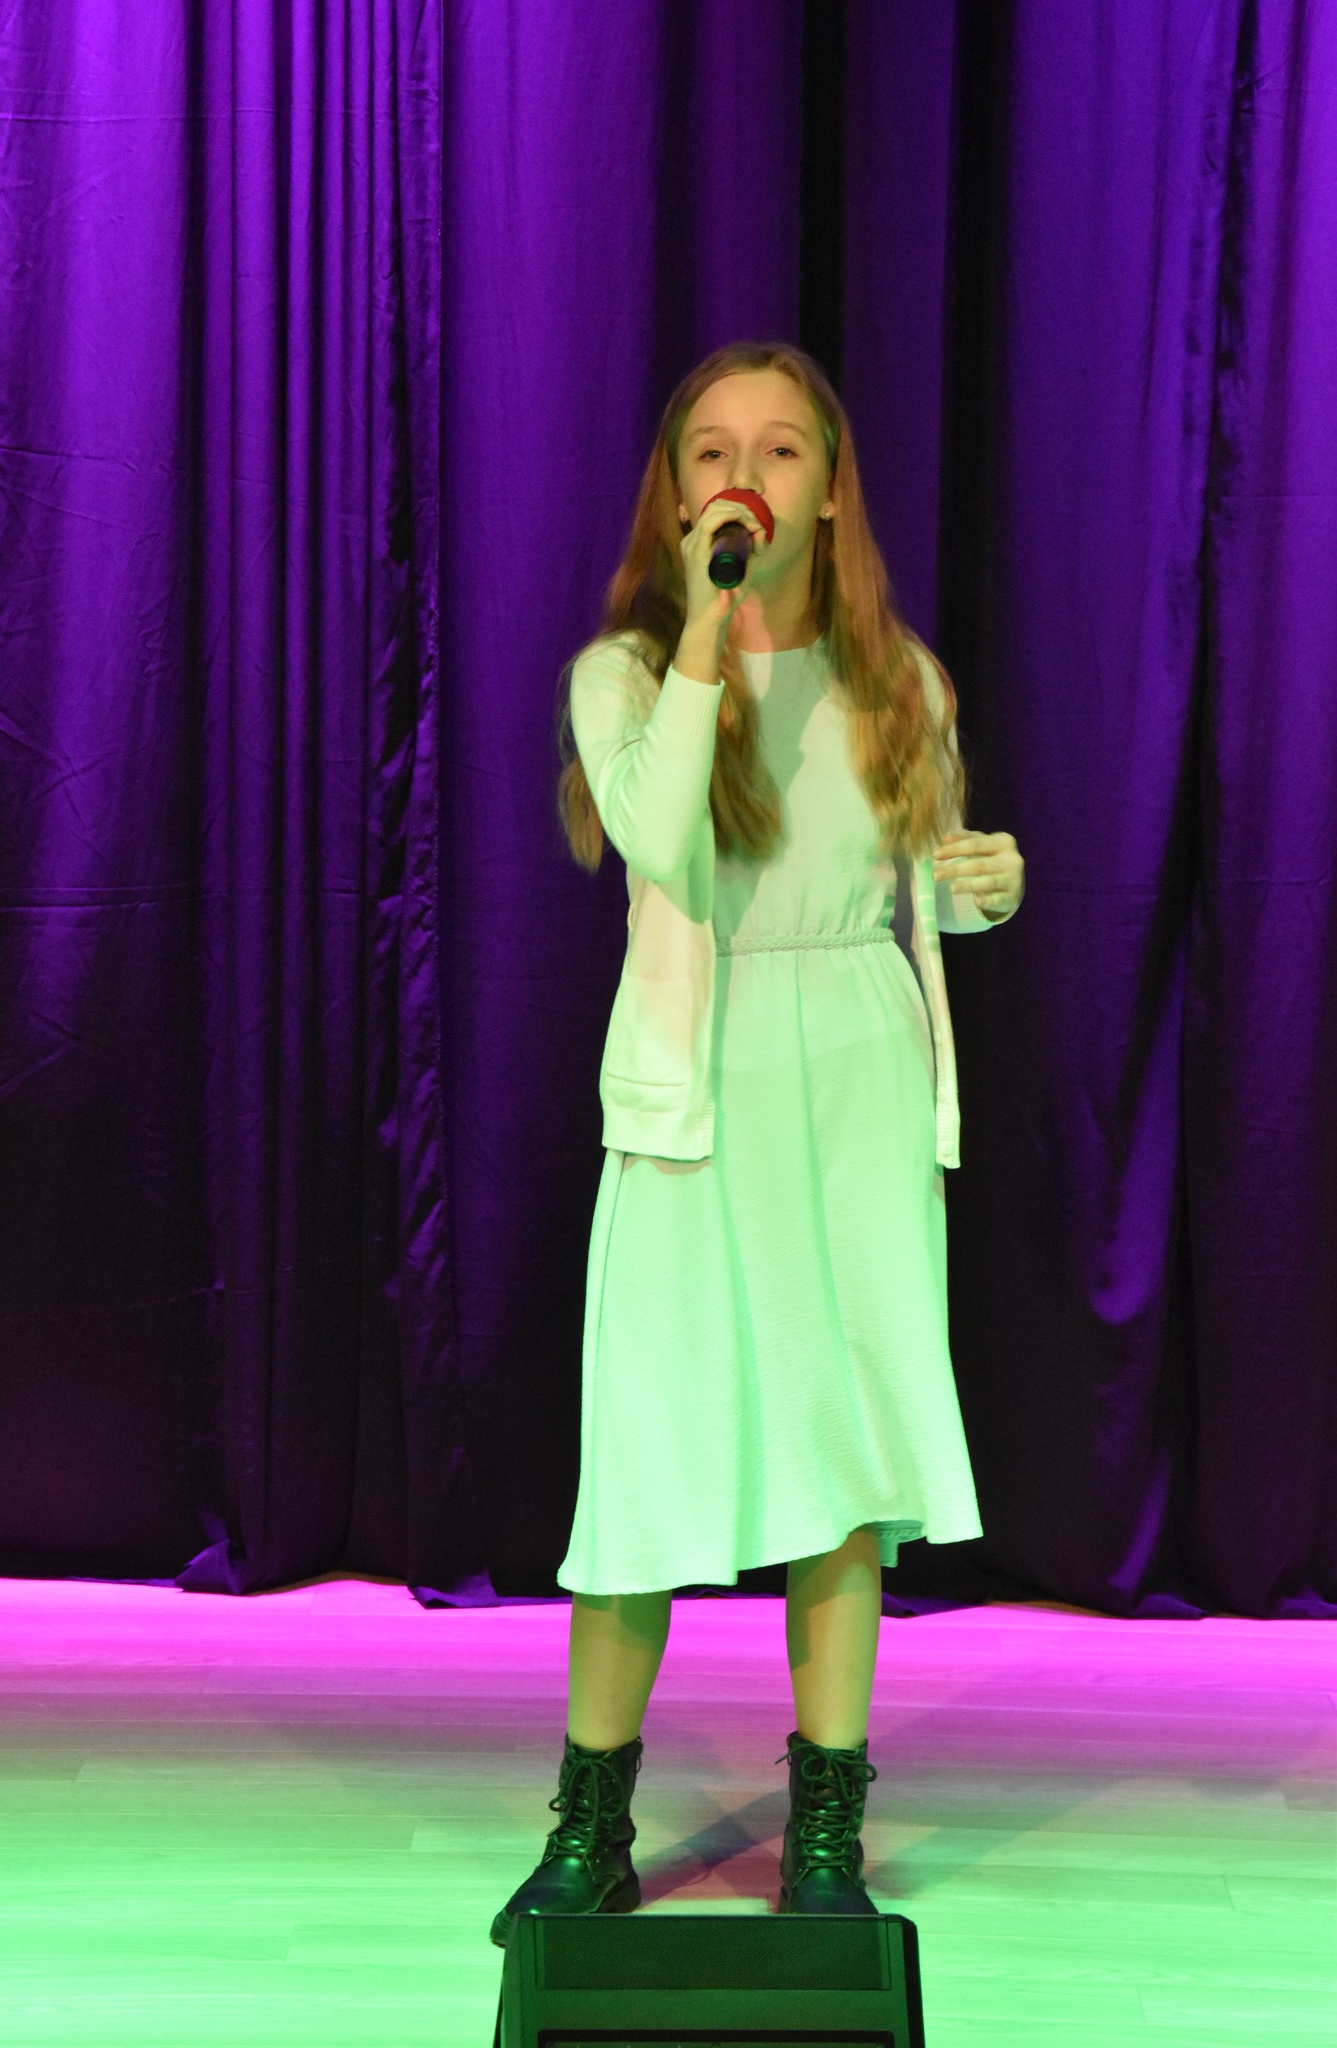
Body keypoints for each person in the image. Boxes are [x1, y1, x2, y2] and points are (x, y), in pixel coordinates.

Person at [491, 341, 1025, 1947]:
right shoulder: (626, 677)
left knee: (838, 1462)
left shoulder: (898, 679)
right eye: (711, 452)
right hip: (694, 1081)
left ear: (831, 490)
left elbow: (911, 886)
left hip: (852, 1076)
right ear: (675, 499)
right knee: (644, 1454)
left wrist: (979, 889)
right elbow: (664, 843)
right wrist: (705, 633)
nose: (746, 476)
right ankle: (589, 1828)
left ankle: (824, 1830)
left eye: (781, 450)